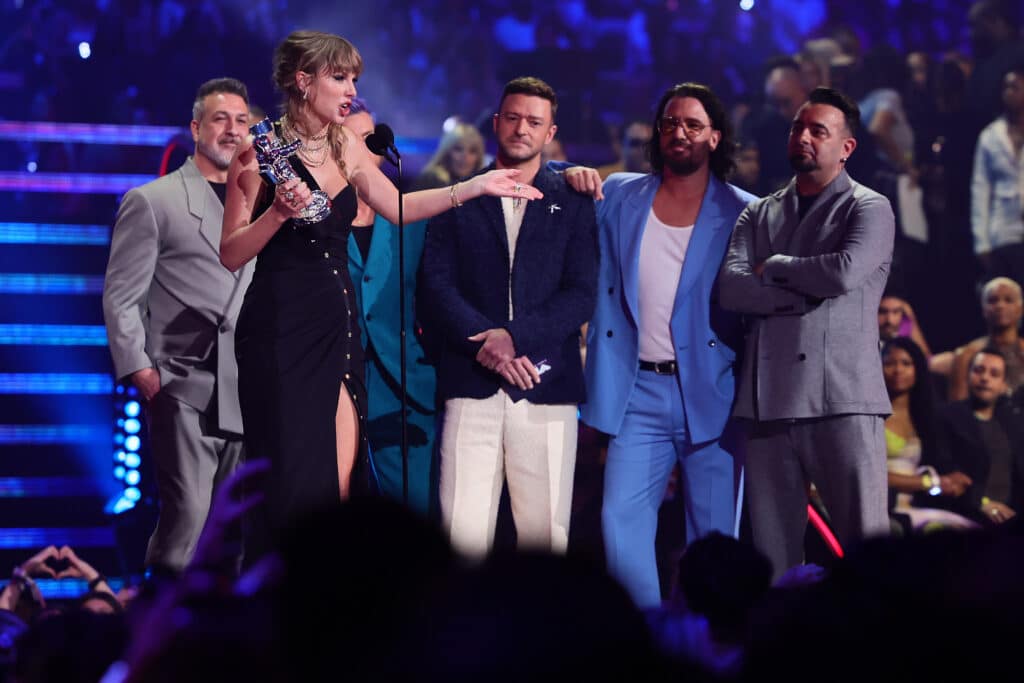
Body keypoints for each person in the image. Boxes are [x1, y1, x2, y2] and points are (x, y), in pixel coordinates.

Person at [219, 31, 540, 553]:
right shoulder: (258, 155)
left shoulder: (345, 145)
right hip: (278, 333)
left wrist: (474, 188)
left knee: (340, 485)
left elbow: (400, 207)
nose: (350, 90)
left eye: (354, 79)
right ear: (303, 81)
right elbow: (231, 252)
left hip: (335, 325)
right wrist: (278, 212)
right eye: (339, 77)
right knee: (289, 485)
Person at [580, 82, 753, 607]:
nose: (679, 132)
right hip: (637, 392)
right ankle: (646, 642)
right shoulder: (619, 195)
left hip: (714, 393)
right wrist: (569, 174)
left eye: (693, 125)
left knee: (716, 538)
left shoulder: (746, 210)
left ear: (716, 137)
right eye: (670, 123)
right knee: (619, 521)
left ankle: (710, 645)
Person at [718, 87, 895, 580]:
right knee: (774, 563)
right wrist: (798, 291)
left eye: (820, 130)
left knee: (868, 554)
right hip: (768, 404)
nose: (805, 137)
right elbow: (731, 289)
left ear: (846, 147)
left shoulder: (869, 207)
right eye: (799, 127)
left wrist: (772, 266)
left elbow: (840, 273)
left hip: (843, 398)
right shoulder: (760, 211)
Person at [419, 76, 598, 557]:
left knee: (546, 542)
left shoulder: (576, 199)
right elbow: (436, 285)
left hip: (546, 387)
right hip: (470, 384)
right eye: (513, 118)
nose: (522, 129)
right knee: (460, 539)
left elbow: (583, 292)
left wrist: (514, 339)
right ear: (496, 123)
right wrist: (489, 347)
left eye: (534, 122)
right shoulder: (457, 195)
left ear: (549, 131)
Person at [102, 77, 252, 572]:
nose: (231, 130)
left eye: (241, 121)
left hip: (244, 383)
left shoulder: (262, 200)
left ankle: (220, 638)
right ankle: (160, 628)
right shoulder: (154, 200)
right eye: (219, 119)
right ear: (195, 128)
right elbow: (122, 295)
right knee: (187, 514)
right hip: (183, 381)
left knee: (235, 527)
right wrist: (143, 372)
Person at [343, 98, 438, 515]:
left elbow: (435, 303)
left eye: (372, 139)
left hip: (401, 389)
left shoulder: (414, 219)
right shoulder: (307, 221)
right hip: (331, 386)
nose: (369, 149)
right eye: (352, 140)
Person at [880, 337, 976, 533]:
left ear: (918, 369)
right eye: (889, 363)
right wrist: (930, 483)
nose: (898, 370)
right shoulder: (874, 418)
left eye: (906, 363)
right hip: (882, 506)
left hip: (915, 506)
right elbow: (869, 474)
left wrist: (952, 479)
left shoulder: (925, 417)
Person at [941, 348, 1024, 525]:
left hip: (1010, 517)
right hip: (966, 514)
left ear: (1004, 385)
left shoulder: (1012, 423)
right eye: (979, 370)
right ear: (968, 375)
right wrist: (981, 503)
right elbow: (945, 471)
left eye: (994, 374)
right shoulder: (949, 417)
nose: (985, 378)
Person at [970, 64, 1024, 288]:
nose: (1009, 93)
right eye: (1005, 88)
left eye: (1015, 87)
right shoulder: (991, 136)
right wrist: (982, 242)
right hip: (1003, 229)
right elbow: (980, 188)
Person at [948, 277, 1024, 400]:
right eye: (993, 300)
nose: (1000, 305)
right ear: (983, 309)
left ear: (1021, 309)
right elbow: (958, 412)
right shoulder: (966, 355)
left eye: (1008, 300)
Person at [411, 121, 486, 191]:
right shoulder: (432, 180)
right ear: (446, 152)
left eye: (472, 151)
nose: (465, 157)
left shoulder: (481, 186)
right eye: (458, 149)